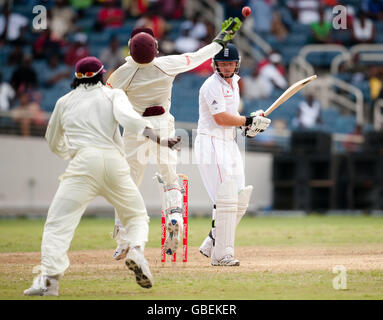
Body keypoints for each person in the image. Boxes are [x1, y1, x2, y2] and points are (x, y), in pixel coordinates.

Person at [23, 56, 180, 296]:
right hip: (114, 162)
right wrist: (162, 139)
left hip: (82, 164)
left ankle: (50, 281)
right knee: (136, 215)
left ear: (76, 79)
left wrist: (69, 153)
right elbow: (131, 121)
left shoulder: (64, 102)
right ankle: (136, 250)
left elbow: (52, 139)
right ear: (102, 75)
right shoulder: (112, 94)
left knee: (58, 224)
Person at [106, 17, 243, 260]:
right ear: (156, 49)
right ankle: (175, 218)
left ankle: (124, 239)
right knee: (170, 180)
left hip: (136, 129)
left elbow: (106, 99)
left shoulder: (122, 73)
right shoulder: (167, 64)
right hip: (163, 128)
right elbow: (201, 55)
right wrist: (222, 38)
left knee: (126, 185)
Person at [194, 43, 271, 266]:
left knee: (239, 199)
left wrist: (249, 124)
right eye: (222, 63)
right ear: (215, 64)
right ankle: (222, 255)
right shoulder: (211, 85)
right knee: (225, 198)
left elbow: (233, 115)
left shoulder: (235, 83)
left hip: (229, 143)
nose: (227, 68)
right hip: (211, 141)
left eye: (230, 63)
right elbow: (221, 119)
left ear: (237, 64)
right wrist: (247, 120)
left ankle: (212, 241)